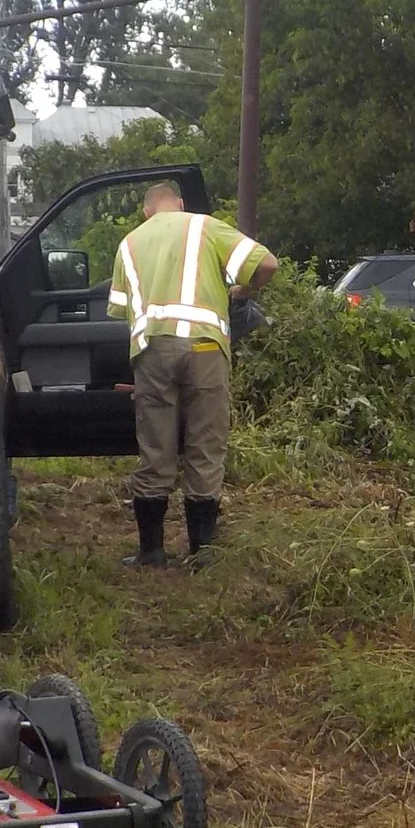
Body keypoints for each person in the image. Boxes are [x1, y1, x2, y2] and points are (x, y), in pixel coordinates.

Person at [106, 182, 277, 566]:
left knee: (155, 448)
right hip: (204, 348)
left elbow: (120, 309)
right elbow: (267, 264)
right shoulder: (204, 226)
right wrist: (243, 292)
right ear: (181, 205)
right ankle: (203, 553)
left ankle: (151, 552)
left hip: (153, 352)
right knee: (205, 444)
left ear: (146, 212)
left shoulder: (129, 243)